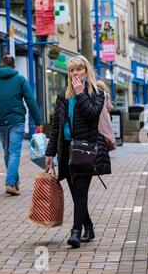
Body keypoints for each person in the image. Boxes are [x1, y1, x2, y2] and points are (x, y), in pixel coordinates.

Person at [45, 55, 110, 249]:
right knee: (75, 193)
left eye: (79, 70)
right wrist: (50, 153)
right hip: (65, 148)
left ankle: (76, 231)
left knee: (81, 191)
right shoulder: (63, 94)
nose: (75, 73)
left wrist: (81, 93)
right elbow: (56, 125)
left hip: (85, 149)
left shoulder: (96, 92)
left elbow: (92, 115)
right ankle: (88, 226)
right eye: (72, 70)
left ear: (86, 70)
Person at [0, 55, 43, 196]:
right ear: (14, 66)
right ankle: (10, 182)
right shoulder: (20, 79)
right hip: (17, 121)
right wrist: (39, 121)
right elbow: (31, 100)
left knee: (8, 152)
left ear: (1, 64)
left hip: (0, 121)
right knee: (14, 152)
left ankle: (13, 182)